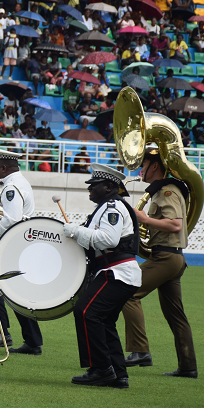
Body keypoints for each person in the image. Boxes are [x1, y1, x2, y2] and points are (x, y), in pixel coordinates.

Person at [62, 164, 141, 389]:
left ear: (109, 186)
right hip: (118, 272)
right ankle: (118, 374)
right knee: (105, 321)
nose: (90, 189)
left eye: (94, 186)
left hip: (116, 272)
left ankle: (100, 369)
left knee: (86, 312)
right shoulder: (106, 207)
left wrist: (76, 231)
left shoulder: (113, 207)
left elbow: (108, 240)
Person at [121, 148, 197, 379]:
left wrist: (144, 219)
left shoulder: (167, 191)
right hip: (168, 257)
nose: (140, 169)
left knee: (127, 292)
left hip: (166, 257)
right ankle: (187, 367)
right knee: (176, 315)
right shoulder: (162, 191)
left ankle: (140, 350)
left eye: (143, 164)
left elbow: (175, 224)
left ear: (154, 165)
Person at [0, 148, 43, 354]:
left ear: (3, 167)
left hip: (12, 246)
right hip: (18, 245)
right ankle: (32, 341)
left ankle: (0, 332)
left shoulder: (13, 186)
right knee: (16, 293)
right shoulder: (15, 183)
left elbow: (11, 219)